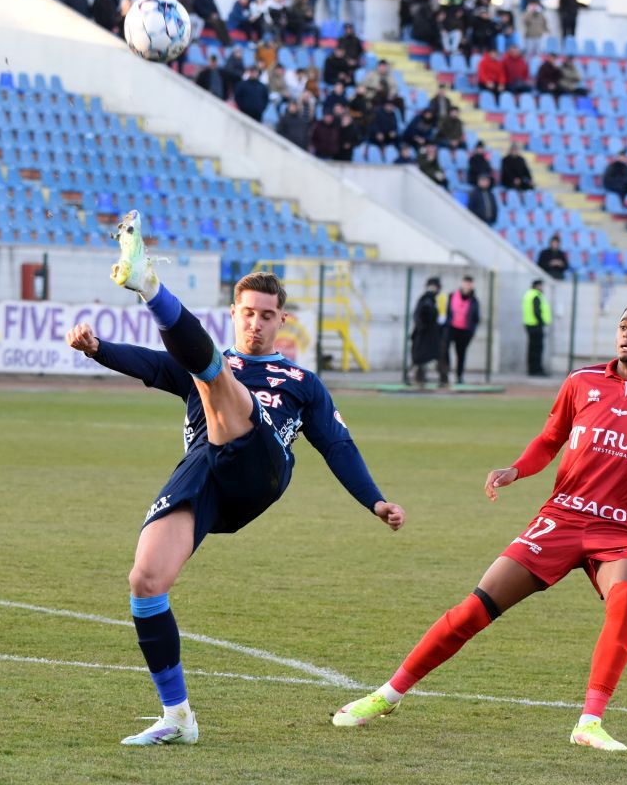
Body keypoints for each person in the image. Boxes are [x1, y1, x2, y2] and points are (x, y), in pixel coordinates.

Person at [333, 302, 627, 752]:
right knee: (474, 608)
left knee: (626, 596)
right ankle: (386, 695)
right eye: (623, 325)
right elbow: (551, 439)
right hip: (561, 518)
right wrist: (516, 469)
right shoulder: (581, 382)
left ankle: (589, 723)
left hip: (621, 530)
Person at [65, 210, 405, 745]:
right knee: (146, 582)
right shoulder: (205, 359)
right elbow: (153, 364)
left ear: (281, 322)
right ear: (233, 314)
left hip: (262, 467)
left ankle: (149, 285)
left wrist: (375, 501)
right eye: (248, 313)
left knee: (215, 380)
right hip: (204, 474)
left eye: (268, 315)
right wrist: (98, 349)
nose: (256, 323)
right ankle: (177, 717)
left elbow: (336, 444)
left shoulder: (301, 381)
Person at [409, 276, 446, 387]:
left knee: (440, 357)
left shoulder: (440, 299)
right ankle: (419, 379)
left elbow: (443, 316)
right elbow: (418, 316)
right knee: (420, 359)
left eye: (434, 286)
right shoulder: (425, 299)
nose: (432, 289)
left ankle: (443, 380)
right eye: (431, 286)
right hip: (423, 334)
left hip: (435, 334)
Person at [443, 275, 480, 384]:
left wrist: (471, 331)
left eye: (470, 284)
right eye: (466, 283)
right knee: (444, 349)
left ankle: (459, 376)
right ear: (462, 283)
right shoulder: (452, 296)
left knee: (461, 354)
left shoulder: (474, 300)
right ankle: (446, 372)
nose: (467, 286)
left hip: (464, 331)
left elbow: (476, 318)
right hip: (451, 328)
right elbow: (445, 311)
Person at [522, 278, 550, 377]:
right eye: (541, 286)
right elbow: (537, 311)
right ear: (537, 286)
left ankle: (532, 369)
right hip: (536, 326)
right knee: (537, 349)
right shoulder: (535, 296)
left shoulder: (529, 294)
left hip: (530, 325)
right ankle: (536, 370)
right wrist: (541, 322)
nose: (542, 288)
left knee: (532, 349)